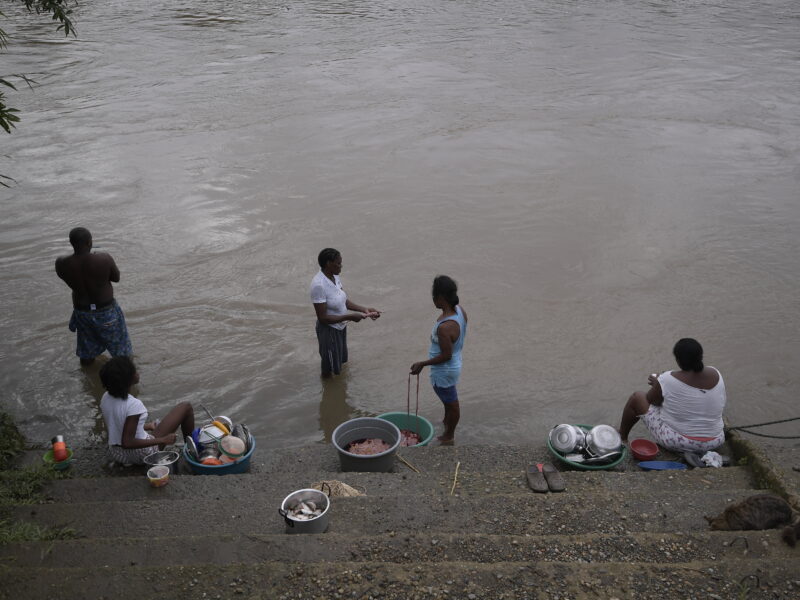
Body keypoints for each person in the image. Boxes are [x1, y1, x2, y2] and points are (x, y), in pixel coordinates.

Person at [618, 338, 726, 452]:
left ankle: (622, 437)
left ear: (678, 360)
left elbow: (651, 400)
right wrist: (661, 385)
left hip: (680, 442)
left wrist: (657, 384)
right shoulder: (716, 373)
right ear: (701, 356)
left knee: (637, 397)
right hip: (716, 441)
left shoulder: (667, 378)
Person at [55, 227, 132, 365]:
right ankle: (125, 379)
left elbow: (65, 277)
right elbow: (116, 278)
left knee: (86, 352)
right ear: (90, 242)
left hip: (82, 313)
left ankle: (88, 379)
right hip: (106, 312)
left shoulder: (61, 263)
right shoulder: (104, 258)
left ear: (71, 243)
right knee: (122, 352)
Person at [99, 356, 194, 465]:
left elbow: (117, 425)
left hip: (117, 454)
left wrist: (145, 426)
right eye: (134, 371)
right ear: (128, 380)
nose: (137, 373)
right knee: (186, 407)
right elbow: (127, 442)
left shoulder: (105, 397)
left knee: (158, 424)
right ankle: (191, 451)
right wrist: (163, 439)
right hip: (141, 455)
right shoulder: (134, 405)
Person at [410, 275, 468, 444]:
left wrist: (422, 364)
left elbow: (445, 355)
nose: (433, 300)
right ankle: (445, 421)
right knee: (448, 400)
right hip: (455, 364)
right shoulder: (460, 311)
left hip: (445, 370)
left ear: (441, 298)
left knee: (453, 404)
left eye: (434, 296)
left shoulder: (445, 327)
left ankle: (449, 436)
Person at [310, 248, 380, 377]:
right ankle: (328, 392)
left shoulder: (335, 276)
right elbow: (322, 318)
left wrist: (365, 310)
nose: (341, 266)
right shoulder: (318, 285)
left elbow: (344, 301)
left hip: (340, 327)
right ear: (328, 264)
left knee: (340, 363)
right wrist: (350, 317)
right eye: (338, 263)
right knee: (329, 369)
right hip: (329, 331)